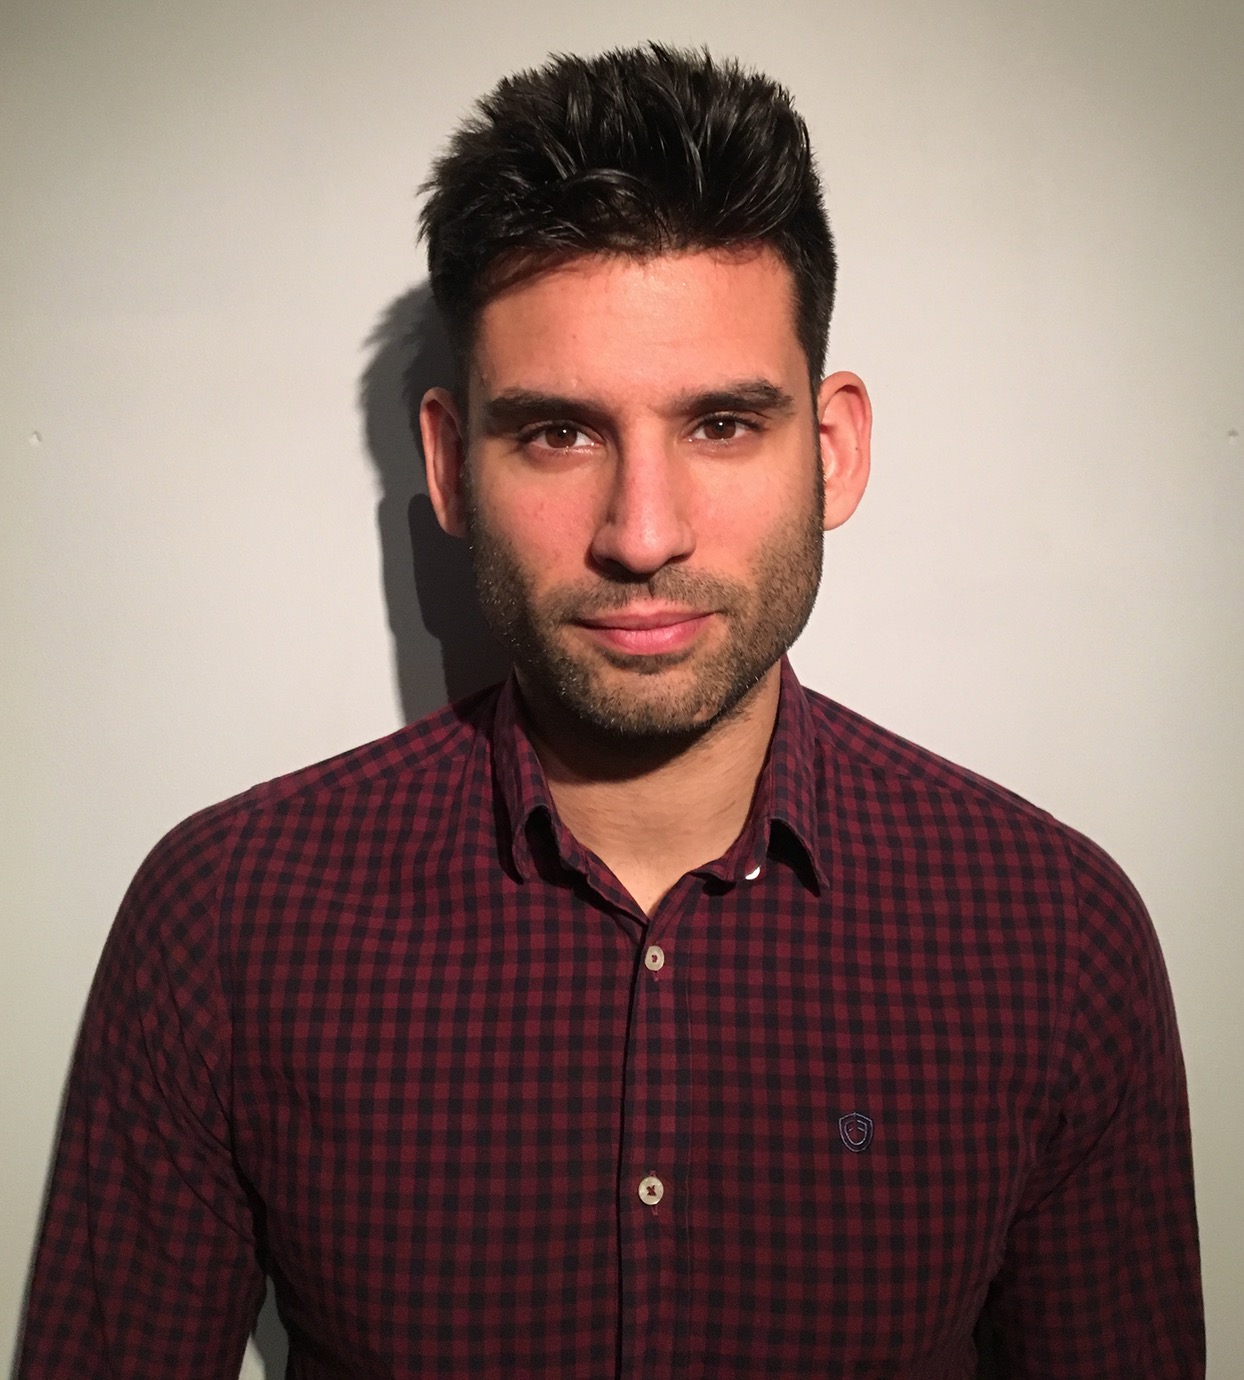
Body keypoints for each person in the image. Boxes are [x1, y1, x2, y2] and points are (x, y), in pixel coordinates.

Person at [20, 44, 1202, 1379]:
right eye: (557, 434)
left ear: (833, 451)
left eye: (720, 426)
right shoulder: (228, 920)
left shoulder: (1052, 937)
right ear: (452, 467)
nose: (642, 535)